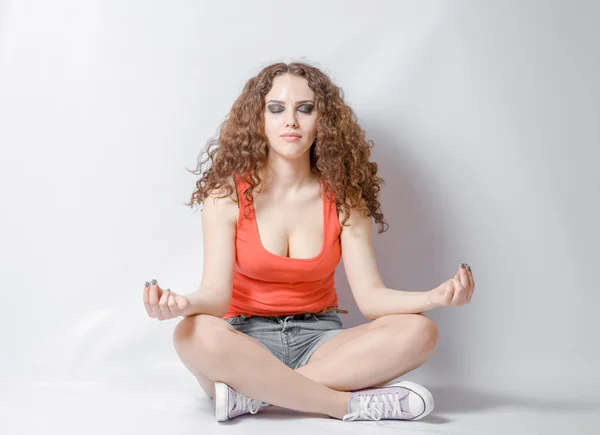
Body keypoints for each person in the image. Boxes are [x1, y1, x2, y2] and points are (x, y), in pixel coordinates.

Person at [142, 61, 475, 423]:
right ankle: (344, 406)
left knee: (420, 331)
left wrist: (434, 297)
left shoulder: (346, 199)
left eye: (305, 108)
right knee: (191, 333)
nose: (291, 121)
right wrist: (182, 304)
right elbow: (216, 296)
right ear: (259, 119)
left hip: (322, 342)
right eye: (276, 108)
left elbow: (372, 298)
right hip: (245, 341)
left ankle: (253, 396)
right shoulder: (226, 197)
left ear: (323, 120)